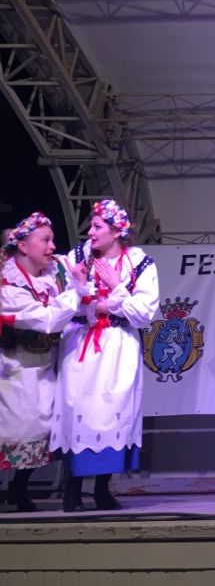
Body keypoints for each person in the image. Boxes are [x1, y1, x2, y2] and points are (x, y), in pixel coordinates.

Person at [53, 200, 159, 512]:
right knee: (78, 408)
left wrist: (115, 291)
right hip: (81, 343)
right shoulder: (77, 257)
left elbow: (144, 313)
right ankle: (72, 489)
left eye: (98, 226)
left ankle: (102, 487)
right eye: (92, 225)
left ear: (117, 231)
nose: (91, 231)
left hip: (117, 345)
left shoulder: (140, 262)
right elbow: (64, 301)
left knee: (114, 410)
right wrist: (83, 288)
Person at [1, 213, 84, 511]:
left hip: (44, 365)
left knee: (42, 428)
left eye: (52, 239)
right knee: (16, 427)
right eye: (45, 240)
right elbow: (48, 320)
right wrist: (77, 290)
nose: (52, 246)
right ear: (23, 247)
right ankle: (14, 490)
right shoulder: (8, 287)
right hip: (14, 368)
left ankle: (19, 489)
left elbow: (81, 257)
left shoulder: (52, 272)